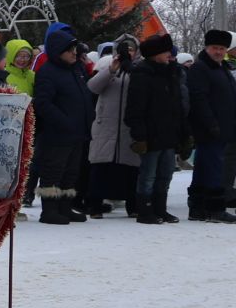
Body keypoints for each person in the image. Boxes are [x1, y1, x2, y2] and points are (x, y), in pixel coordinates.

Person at [125, 33, 188, 226]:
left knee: (166, 173)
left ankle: (160, 208)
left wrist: (183, 132)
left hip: (168, 133)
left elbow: (178, 105)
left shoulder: (170, 73)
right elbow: (135, 108)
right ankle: (145, 210)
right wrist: (140, 135)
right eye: (165, 51)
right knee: (148, 174)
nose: (169, 54)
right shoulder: (142, 74)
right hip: (151, 134)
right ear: (155, 54)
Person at [31, 27, 91, 225]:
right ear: (58, 51)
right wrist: (64, 121)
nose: (74, 53)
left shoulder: (75, 70)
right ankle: (49, 210)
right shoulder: (48, 72)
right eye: (70, 49)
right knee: (52, 172)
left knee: (71, 173)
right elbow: (43, 104)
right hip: (56, 134)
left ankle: (65, 207)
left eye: (75, 49)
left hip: (77, 133)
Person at [185, 28, 235, 222]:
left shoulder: (221, 68)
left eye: (222, 48)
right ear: (207, 47)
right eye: (215, 48)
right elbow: (198, 99)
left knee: (204, 167)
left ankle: (197, 206)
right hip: (210, 127)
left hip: (223, 126)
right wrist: (211, 124)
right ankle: (215, 208)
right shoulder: (200, 68)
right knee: (215, 167)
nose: (219, 52)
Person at [86, 40, 140, 216]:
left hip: (128, 127)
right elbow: (93, 87)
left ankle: (132, 206)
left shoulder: (139, 70)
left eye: (132, 49)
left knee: (131, 169)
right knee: (100, 166)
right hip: (105, 125)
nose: (129, 52)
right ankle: (94, 205)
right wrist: (111, 70)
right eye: (126, 49)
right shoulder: (109, 67)